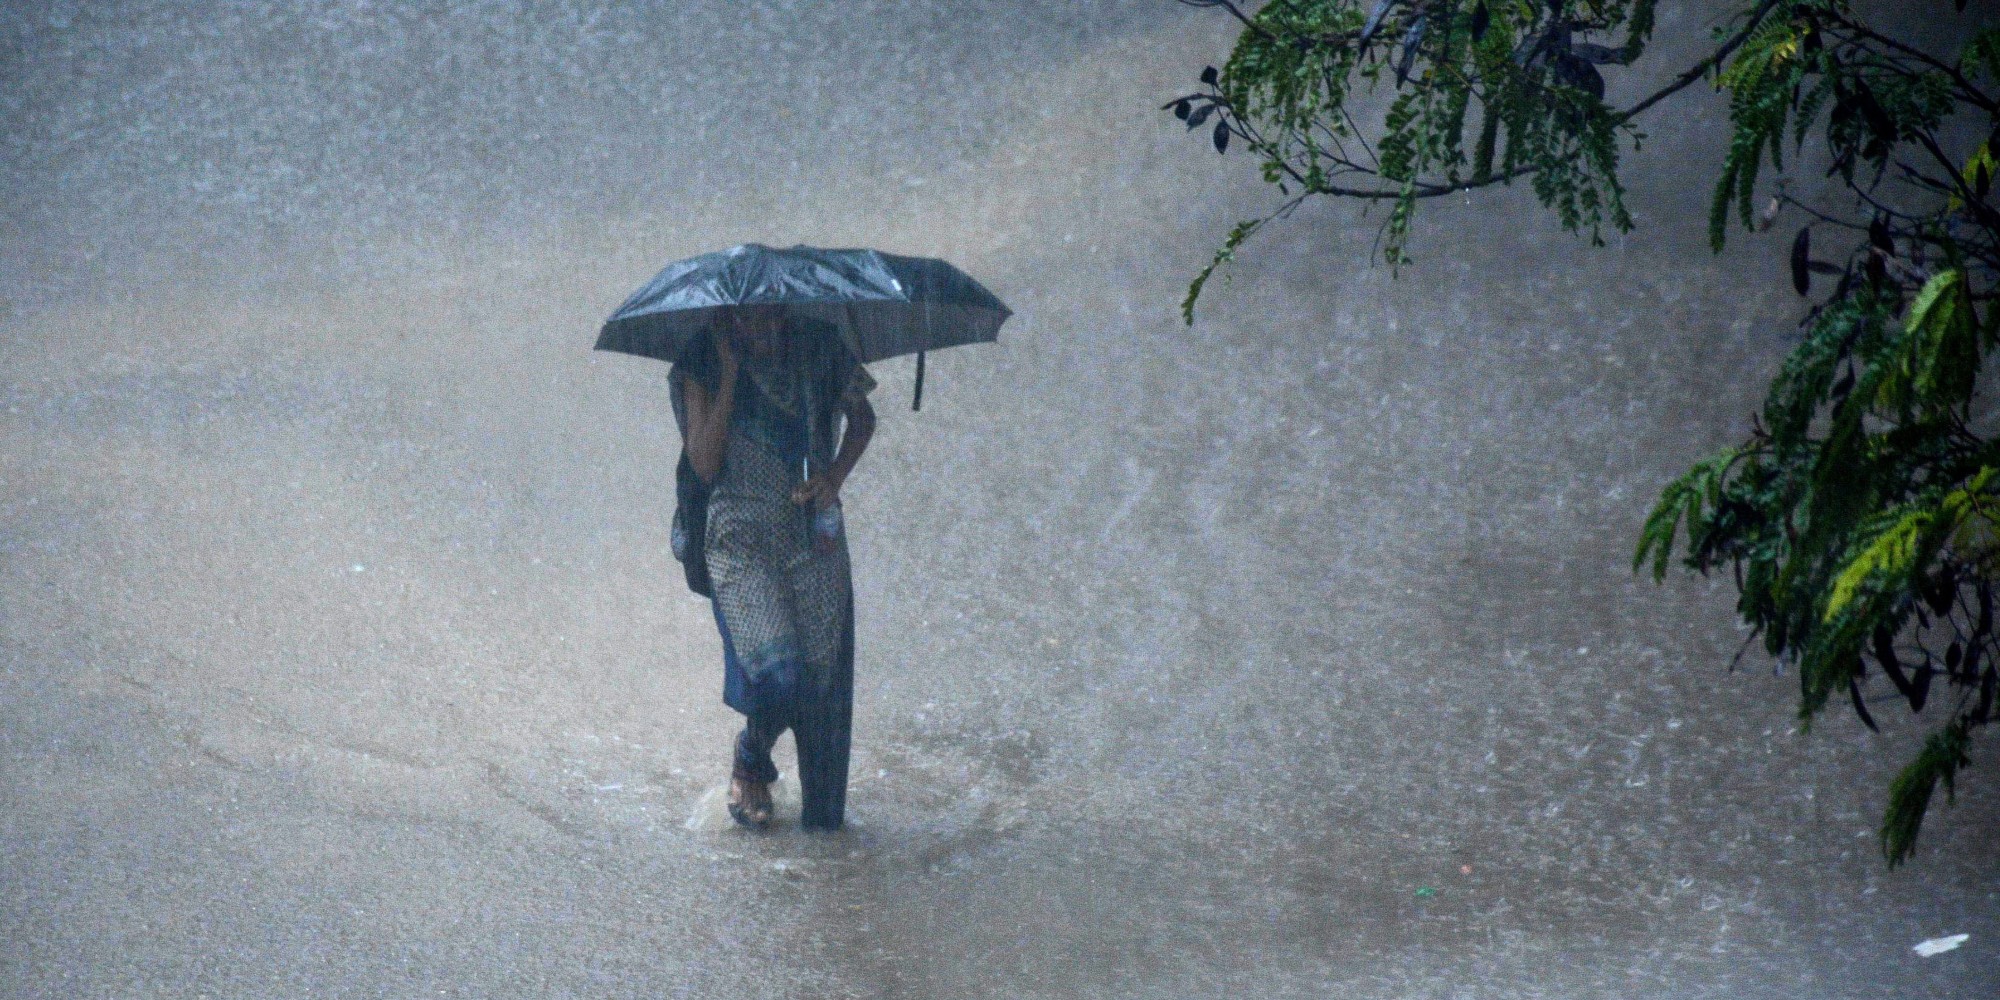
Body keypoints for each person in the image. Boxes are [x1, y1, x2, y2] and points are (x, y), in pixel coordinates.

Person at [671, 304, 876, 831]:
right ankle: (752, 757)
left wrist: (833, 477)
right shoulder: (700, 361)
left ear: (785, 311)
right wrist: (731, 370)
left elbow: (863, 419)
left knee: (822, 683)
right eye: (744, 319)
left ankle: (827, 842)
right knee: (779, 676)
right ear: (726, 320)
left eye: (768, 316)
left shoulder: (821, 344)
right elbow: (705, 462)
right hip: (738, 540)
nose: (758, 328)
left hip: (811, 534)